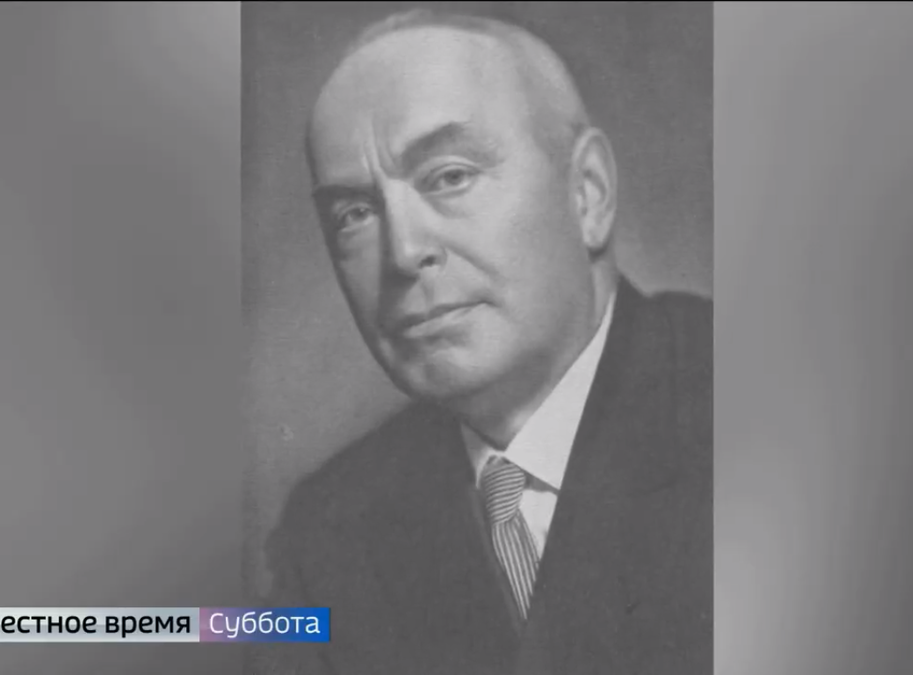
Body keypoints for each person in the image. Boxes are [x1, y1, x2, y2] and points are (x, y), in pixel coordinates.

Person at [264, 9, 711, 675]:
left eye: (450, 176)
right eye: (354, 213)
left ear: (587, 194)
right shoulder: (328, 528)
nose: (403, 252)